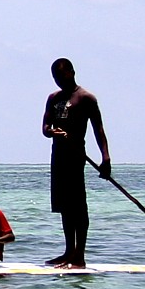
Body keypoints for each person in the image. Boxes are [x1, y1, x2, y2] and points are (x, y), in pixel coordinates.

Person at [42, 58, 111, 267]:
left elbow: (99, 130)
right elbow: (45, 127)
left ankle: (79, 255)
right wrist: (52, 131)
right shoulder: (53, 98)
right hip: (58, 157)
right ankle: (68, 251)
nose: (58, 81)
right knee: (64, 206)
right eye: (55, 77)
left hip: (75, 156)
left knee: (78, 206)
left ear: (71, 72)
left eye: (61, 76)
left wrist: (105, 158)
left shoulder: (86, 98)